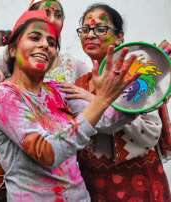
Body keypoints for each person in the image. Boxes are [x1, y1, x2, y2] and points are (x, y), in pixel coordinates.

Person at [0, 9, 139, 201]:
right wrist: (100, 100)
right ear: (13, 49)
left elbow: (108, 121)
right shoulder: (3, 96)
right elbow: (46, 152)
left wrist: (150, 83)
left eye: (51, 43)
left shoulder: (58, 90)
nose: (44, 45)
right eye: (35, 38)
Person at [60, 3, 171, 201]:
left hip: (139, 183)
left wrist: (94, 101)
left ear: (120, 36)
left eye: (100, 29)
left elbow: (151, 133)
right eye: (85, 30)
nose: (90, 35)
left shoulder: (138, 77)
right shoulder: (79, 83)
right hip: (96, 187)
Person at [0, 0, 90, 83]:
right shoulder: (10, 53)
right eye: (46, 13)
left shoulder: (72, 64)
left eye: (58, 15)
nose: (52, 20)